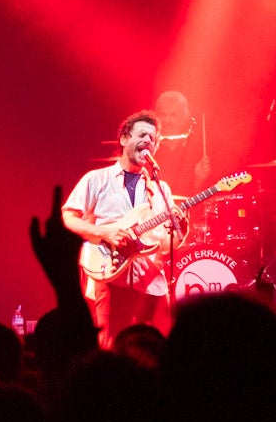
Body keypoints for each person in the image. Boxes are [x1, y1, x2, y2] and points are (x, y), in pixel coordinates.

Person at [62, 110, 184, 346]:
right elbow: (68, 216)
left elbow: (168, 245)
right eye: (142, 135)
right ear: (124, 139)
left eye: (154, 139)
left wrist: (182, 229)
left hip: (149, 279)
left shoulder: (160, 189)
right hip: (108, 274)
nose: (149, 141)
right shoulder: (96, 179)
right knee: (109, 345)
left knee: (164, 344)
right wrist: (104, 232)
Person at [153, 90, 211, 196]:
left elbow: (197, 198)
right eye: (163, 115)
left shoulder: (193, 150)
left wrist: (199, 179)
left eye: (173, 115)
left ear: (183, 117)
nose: (167, 120)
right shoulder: (150, 149)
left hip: (185, 210)